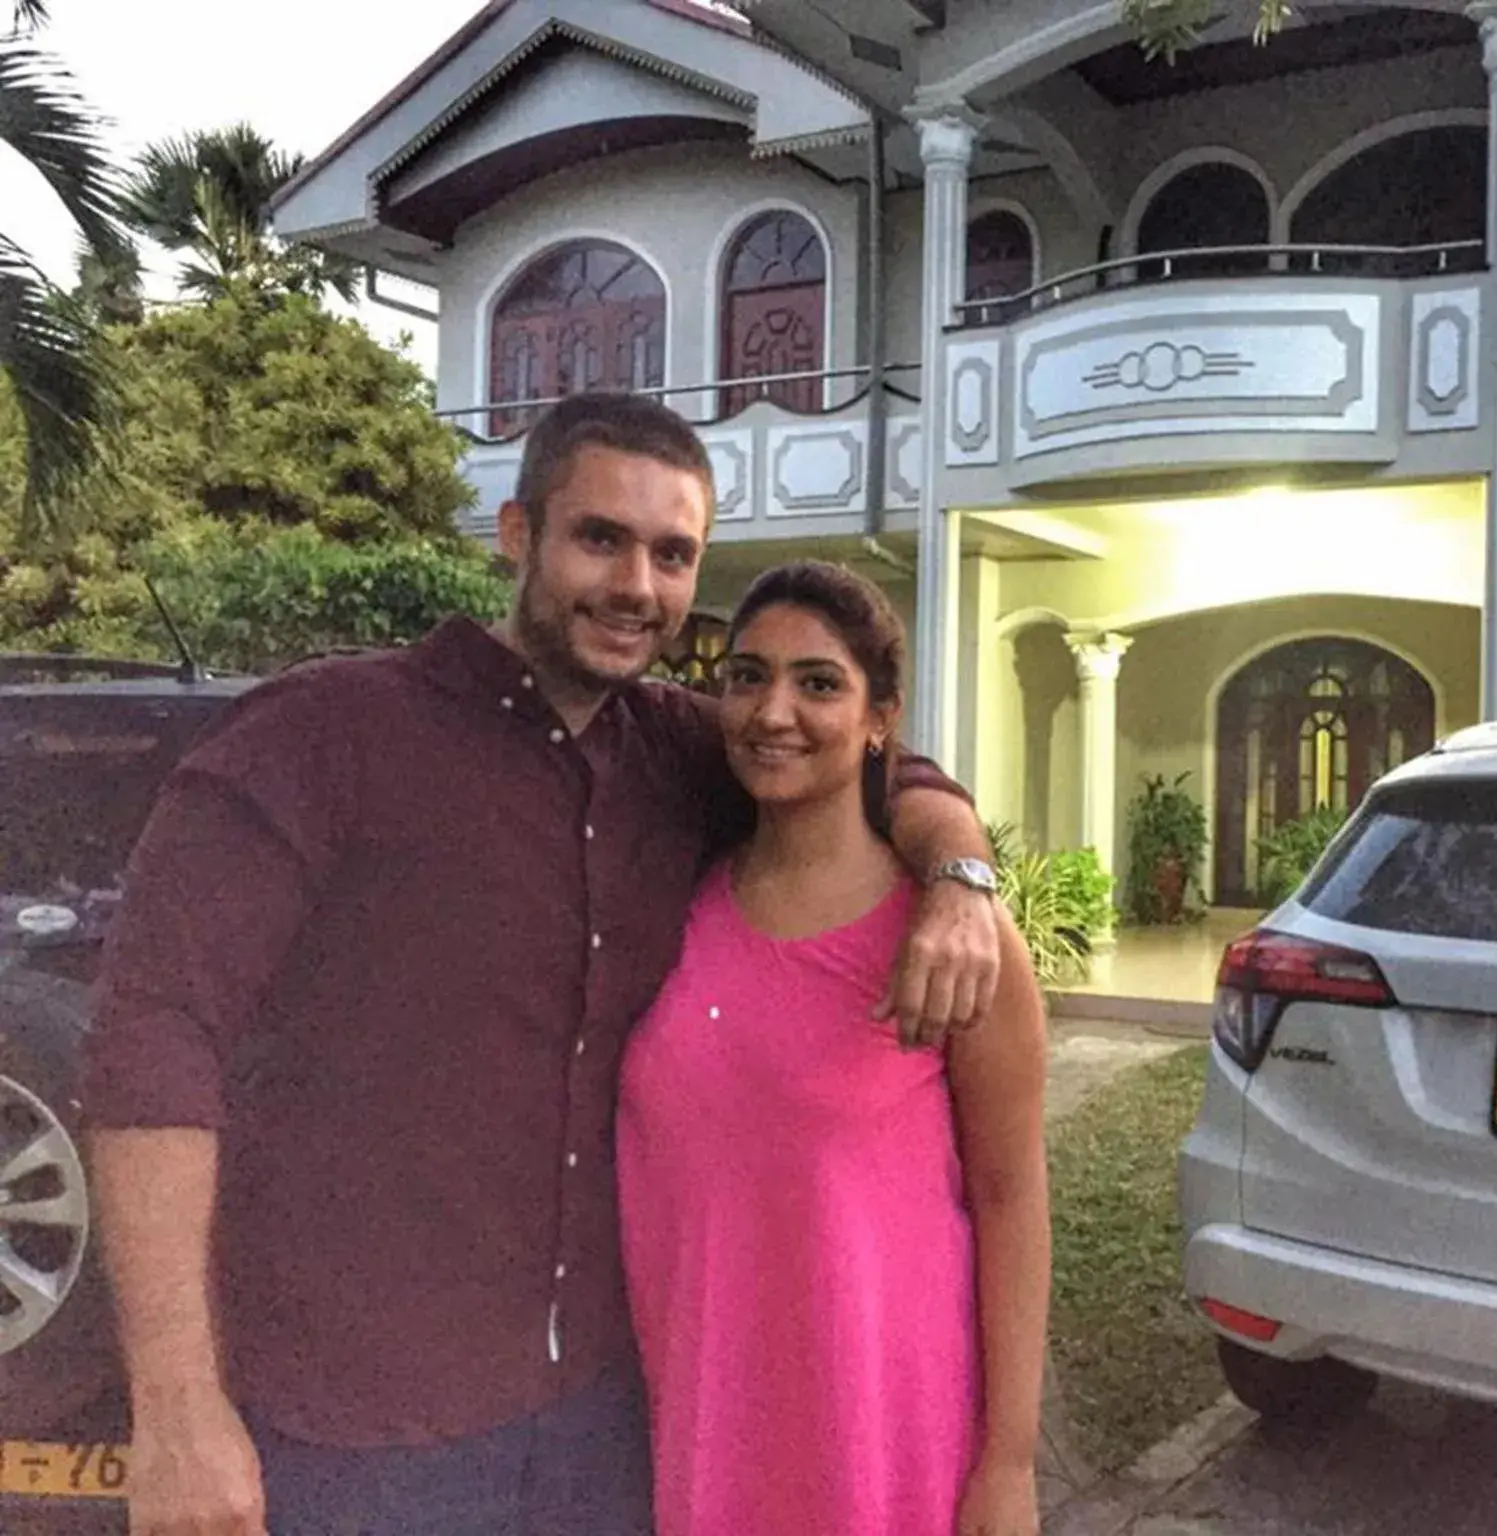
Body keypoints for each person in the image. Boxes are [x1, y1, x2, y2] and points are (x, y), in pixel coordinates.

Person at [81, 393, 1005, 1536]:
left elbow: (871, 763)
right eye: (599, 538)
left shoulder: (678, 751)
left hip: (604, 1428)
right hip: (357, 1435)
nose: (637, 586)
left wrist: (960, 873)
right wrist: (175, 1404)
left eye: (673, 555)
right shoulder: (323, 737)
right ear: (517, 534)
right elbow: (154, 1040)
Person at [618, 560, 1049, 1536]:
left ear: (879, 718)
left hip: (883, 1430)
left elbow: (1010, 1195)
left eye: (818, 683)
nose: (775, 710)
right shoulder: (670, 901)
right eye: (746, 675)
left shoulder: (952, 940)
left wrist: (1011, 1460)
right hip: (698, 1417)